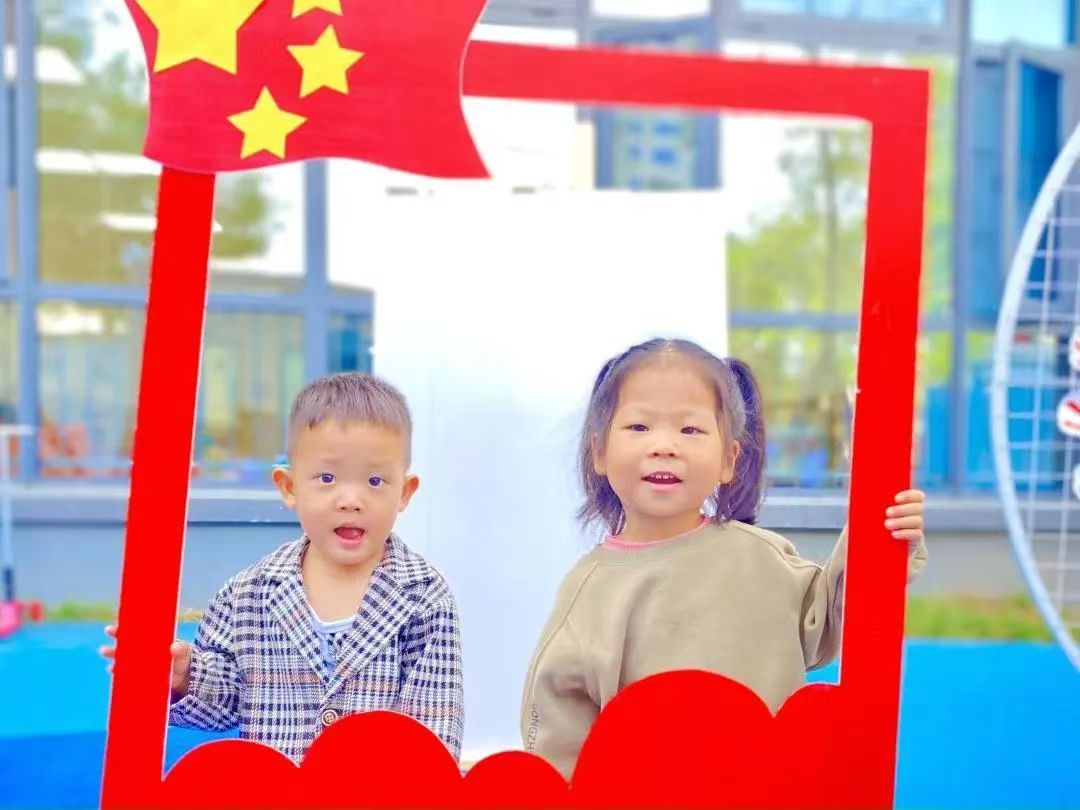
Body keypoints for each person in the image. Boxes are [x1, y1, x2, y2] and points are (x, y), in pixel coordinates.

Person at [521, 338, 926, 778]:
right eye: (639, 427)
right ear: (599, 452)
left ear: (729, 459)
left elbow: (833, 617)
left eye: (690, 430)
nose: (664, 445)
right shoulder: (589, 590)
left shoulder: (762, 560)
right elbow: (557, 731)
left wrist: (881, 540)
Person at [103, 372, 463, 763]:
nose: (350, 500)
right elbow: (226, 699)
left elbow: (434, 724)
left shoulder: (424, 596)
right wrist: (185, 676)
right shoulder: (247, 593)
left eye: (375, 480)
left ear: (404, 493)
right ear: (289, 487)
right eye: (327, 478)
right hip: (271, 790)